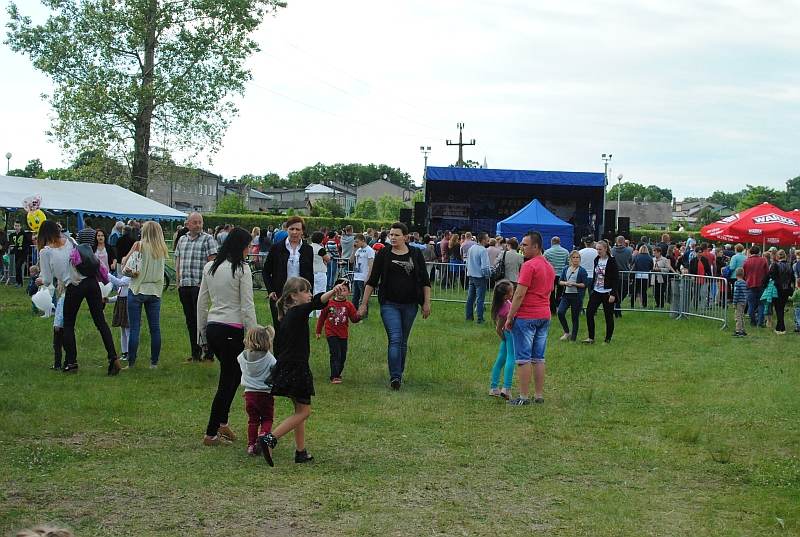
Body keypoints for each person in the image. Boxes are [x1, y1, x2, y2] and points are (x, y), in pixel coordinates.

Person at [259, 278, 348, 466]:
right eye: (305, 291)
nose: (309, 294)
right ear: (294, 296)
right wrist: (333, 292)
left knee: (298, 410)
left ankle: (301, 452)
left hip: (287, 366)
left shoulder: (288, 315)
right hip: (296, 368)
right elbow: (317, 301)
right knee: (304, 412)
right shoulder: (298, 312)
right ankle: (270, 439)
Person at [197, 227, 258, 447]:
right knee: (227, 381)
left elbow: (202, 303)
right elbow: (247, 305)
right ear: (241, 246)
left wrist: (201, 333)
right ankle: (211, 432)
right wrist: (254, 335)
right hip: (231, 328)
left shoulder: (210, 267)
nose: (249, 250)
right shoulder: (242, 269)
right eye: (248, 246)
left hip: (213, 327)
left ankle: (221, 423)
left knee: (232, 376)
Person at [36, 220, 121, 375]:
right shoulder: (70, 241)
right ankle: (113, 358)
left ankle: (71, 362)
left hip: (73, 286)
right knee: (100, 322)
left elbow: (47, 280)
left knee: (68, 324)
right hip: (91, 281)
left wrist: (39, 279)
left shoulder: (45, 251)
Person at [357, 222, 432, 390]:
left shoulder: (415, 253)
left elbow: (425, 281)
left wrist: (427, 302)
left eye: (397, 235)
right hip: (389, 304)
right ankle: (395, 377)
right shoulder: (383, 254)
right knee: (395, 338)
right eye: (391, 234)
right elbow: (372, 280)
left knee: (403, 341)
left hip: (410, 305)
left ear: (405, 237)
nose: (393, 237)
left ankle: (399, 372)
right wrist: (364, 304)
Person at [504, 231, 553, 405]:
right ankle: (539, 395)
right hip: (544, 315)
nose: (521, 247)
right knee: (538, 358)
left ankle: (523, 397)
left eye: (525, 245)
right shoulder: (549, 266)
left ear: (536, 246)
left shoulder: (529, 266)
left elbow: (519, 294)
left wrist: (510, 317)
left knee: (523, 358)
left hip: (527, 316)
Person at [174, 212, 218, 362]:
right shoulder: (182, 239)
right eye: (195, 222)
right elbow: (178, 261)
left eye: (200, 222)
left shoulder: (208, 239)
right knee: (190, 320)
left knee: (202, 320)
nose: (198, 225)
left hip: (200, 286)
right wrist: (178, 281)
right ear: (188, 224)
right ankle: (195, 352)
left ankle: (209, 352)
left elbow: (212, 263)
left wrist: (205, 284)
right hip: (185, 285)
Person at [122, 221, 167, 369]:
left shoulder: (139, 245)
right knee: (155, 328)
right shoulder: (162, 248)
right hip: (155, 290)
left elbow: (125, 263)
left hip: (137, 288)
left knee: (134, 327)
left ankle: (132, 362)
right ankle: (154, 362)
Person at [262, 215, 314, 330]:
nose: (294, 232)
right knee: (280, 329)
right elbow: (266, 271)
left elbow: (310, 274)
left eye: (297, 229)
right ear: (287, 229)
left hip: (301, 296)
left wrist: (310, 295)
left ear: (302, 231)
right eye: (291, 229)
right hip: (280, 295)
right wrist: (271, 291)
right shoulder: (276, 248)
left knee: (299, 329)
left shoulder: (308, 250)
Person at [237, 325, 277, 456]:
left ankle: (251, 445)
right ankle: (264, 436)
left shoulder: (242, 357)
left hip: (249, 394)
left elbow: (239, 362)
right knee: (267, 418)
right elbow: (275, 371)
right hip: (265, 394)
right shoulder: (269, 358)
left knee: (253, 421)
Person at [316, 278, 361, 383]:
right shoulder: (329, 303)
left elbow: (354, 319)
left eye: (344, 290)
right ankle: (334, 376)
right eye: (339, 289)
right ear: (335, 290)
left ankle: (338, 373)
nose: (341, 292)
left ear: (349, 293)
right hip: (331, 333)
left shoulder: (349, 305)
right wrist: (318, 331)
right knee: (335, 353)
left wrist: (360, 315)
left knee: (343, 355)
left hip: (343, 335)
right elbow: (322, 317)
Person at [583, 240, 619, 344]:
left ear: (605, 249)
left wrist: (613, 294)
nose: (598, 251)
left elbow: (616, 278)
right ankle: (591, 337)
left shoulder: (611, 261)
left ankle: (607, 339)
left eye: (600, 249)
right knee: (589, 312)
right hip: (596, 290)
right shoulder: (596, 259)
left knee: (608, 316)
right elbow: (596, 275)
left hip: (607, 292)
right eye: (597, 249)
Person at [489, 279, 515, 400]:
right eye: (511, 291)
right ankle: (506, 387)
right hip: (509, 334)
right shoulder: (504, 308)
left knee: (501, 359)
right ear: (505, 295)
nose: (513, 291)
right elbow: (498, 329)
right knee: (511, 358)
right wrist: (504, 338)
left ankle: (494, 387)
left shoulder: (506, 303)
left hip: (507, 334)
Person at [557, 251, 588, 341]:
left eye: (577, 257)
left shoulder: (582, 271)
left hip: (576, 296)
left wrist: (575, 284)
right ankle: (567, 332)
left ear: (580, 259)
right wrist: (566, 283)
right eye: (574, 257)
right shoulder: (566, 269)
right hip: (566, 295)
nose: (575, 259)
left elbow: (585, 284)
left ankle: (573, 338)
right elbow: (560, 281)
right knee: (560, 312)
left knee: (575, 317)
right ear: (570, 259)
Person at [465, 232, 491, 323]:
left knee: (470, 298)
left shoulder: (471, 248)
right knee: (480, 299)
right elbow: (485, 266)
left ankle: (469, 316)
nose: (488, 239)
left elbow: (467, 262)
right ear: (483, 240)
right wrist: (488, 275)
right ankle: (480, 318)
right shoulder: (483, 250)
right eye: (487, 238)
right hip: (480, 277)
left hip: (471, 275)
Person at [768, 250, 793, 334]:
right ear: (785, 256)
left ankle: (780, 328)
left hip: (777, 289)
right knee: (781, 308)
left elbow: (771, 275)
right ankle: (781, 327)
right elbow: (792, 278)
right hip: (787, 289)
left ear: (777, 256)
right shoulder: (789, 265)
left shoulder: (775, 265)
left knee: (778, 308)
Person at [350, 233, 375, 319]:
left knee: (363, 298)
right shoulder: (358, 250)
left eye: (357, 241)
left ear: (363, 240)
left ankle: (364, 316)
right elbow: (351, 261)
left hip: (364, 277)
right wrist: (354, 250)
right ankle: (354, 315)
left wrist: (368, 277)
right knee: (355, 298)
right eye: (355, 242)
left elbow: (371, 265)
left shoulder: (369, 250)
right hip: (357, 276)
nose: (356, 243)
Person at [743, 246, 768, 327]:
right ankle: (760, 322)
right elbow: (767, 273)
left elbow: (744, 273)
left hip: (750, 284)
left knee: (751, 304)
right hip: (761, 285)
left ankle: (753, 321)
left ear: (750, 252)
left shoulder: (746, 261)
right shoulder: (763, 260)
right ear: (759, 252)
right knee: (761, 304)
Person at [544, 236, 570, 314]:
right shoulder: (565, 252)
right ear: (560, 242)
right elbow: (568, 264)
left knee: (551, 293)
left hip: (551, 275)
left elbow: (544, 264)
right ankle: (559, 307)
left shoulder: (547, 252)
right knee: (560, 292)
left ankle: (552, 309)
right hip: (561, 275)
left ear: (552, 242)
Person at [309, 231, 330, 318]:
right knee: (321, 292)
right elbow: (327, 259)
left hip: (311, 272)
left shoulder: (308, 247)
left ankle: (309, 312)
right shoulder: (320, 249)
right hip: (320, 272)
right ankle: (319, 313)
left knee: (310, 293)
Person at [611, 235, 633, 317]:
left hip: (614, 275)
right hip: (625, 275)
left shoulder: (612, 250)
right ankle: (617, 308)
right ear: (624, 242)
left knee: (615, 293)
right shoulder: (628, 251)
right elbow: (631, 261)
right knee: (623, 293)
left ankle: (616, 307)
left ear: (616, 241)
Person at [8, 221, 31, 287]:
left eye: (18, 226)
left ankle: (20, 283)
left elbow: (28, 241)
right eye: (15, 225)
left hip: (23, 253)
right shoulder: (12, 235)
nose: (16, 227)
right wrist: (12, 247)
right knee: (17, 267)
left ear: (20, 226)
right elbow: (11, 243)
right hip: (16, 253)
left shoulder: (24, 234)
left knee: (18, 266)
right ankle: (18, 282)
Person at [732, 267, 748, 337]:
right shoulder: (744, 282)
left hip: (738, 302)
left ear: (736, 274)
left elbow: (736, 293)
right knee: (741, 316)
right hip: (744, 301)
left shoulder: (737, 283)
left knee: (738, 316)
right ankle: (743, 329)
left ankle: (738, 330)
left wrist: (734, 303)